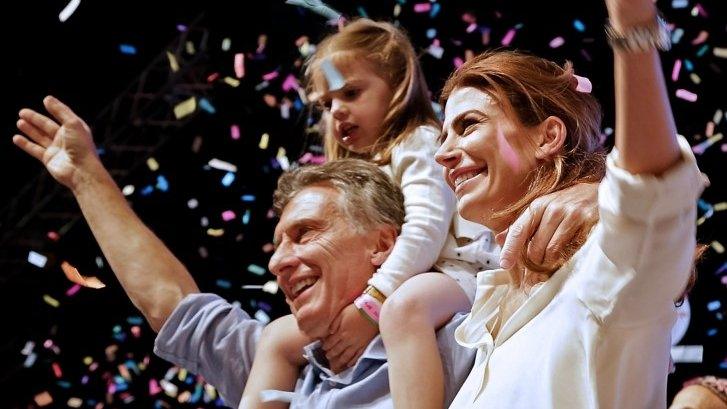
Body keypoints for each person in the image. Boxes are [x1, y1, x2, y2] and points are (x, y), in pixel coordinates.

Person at [13, 99, 596, 408]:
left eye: (305, 233)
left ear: (383, 248)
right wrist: (87, 177)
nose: (276, 262)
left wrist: (596, 196)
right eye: (276, 244)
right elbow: (172, 304)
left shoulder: (466, 333)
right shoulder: (282, 367)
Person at [242, 19, 599, 409]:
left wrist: (371, 302)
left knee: (405, 309)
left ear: (397, 86)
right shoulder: (361, 170)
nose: (338, 112)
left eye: (351, 93)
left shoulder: (419, 143)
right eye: (327, 104)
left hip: (460, 271)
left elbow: (425, 229)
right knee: (277, 337)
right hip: (416, 280)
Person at [435, 0, 706, 407]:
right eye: (442, 137)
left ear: (547, 137)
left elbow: (651, 190)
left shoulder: (607, 269)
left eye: (468, 125)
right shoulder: (490, 312)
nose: (443, 153)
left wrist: (633, 27)